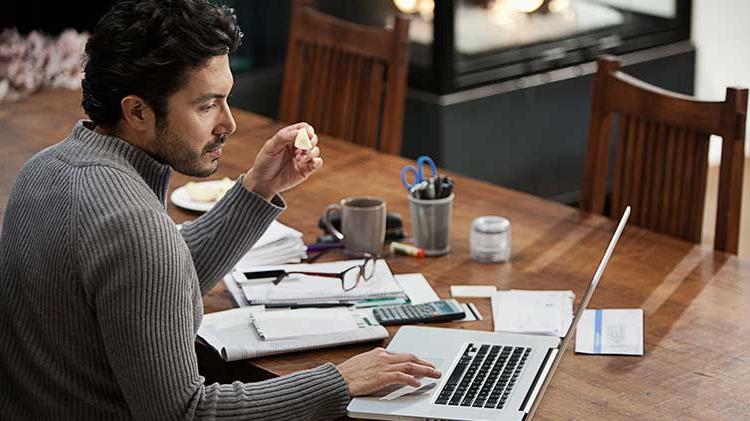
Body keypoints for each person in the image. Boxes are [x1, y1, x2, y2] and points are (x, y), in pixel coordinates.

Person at [0, 0, 440, 419]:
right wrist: (340, 381)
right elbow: (186, 412)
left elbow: (146, 282)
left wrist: (258, 187)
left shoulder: (44, 169)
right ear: (137, 111)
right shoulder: (134, 226)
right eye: (207, 104)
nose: (229, 123)